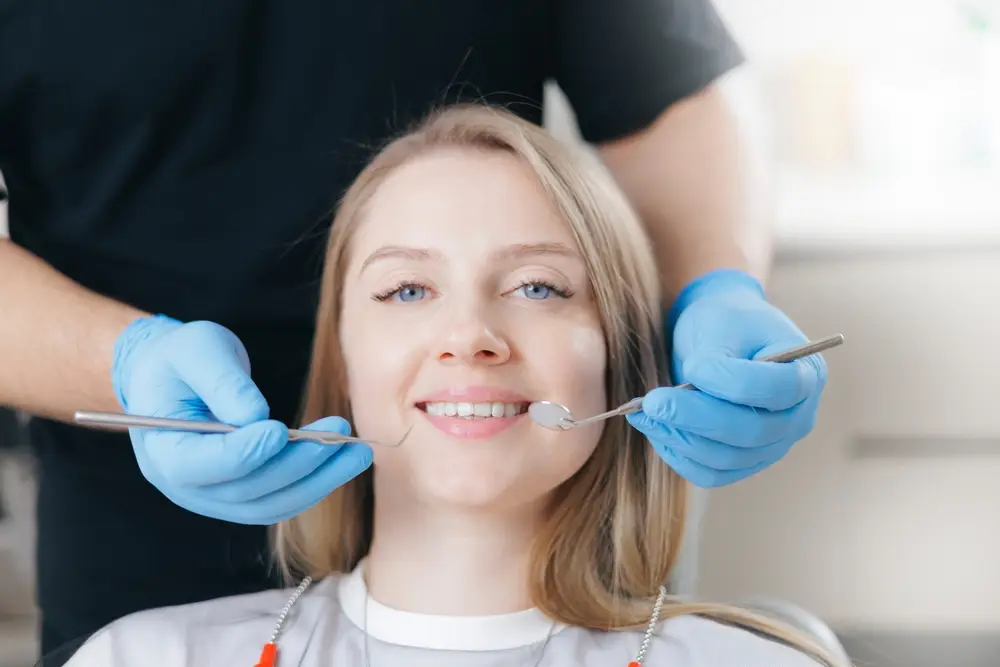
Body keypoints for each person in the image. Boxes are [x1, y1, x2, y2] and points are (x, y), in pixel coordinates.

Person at [0, 0, 828, 658]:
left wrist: (715, 289)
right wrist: (122, 362)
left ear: (621, 353)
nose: (468, 335)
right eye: (405, 290)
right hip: (133, 519)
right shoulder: (143, 654)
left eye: (538, 285)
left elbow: (670, 91)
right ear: (338, 361)